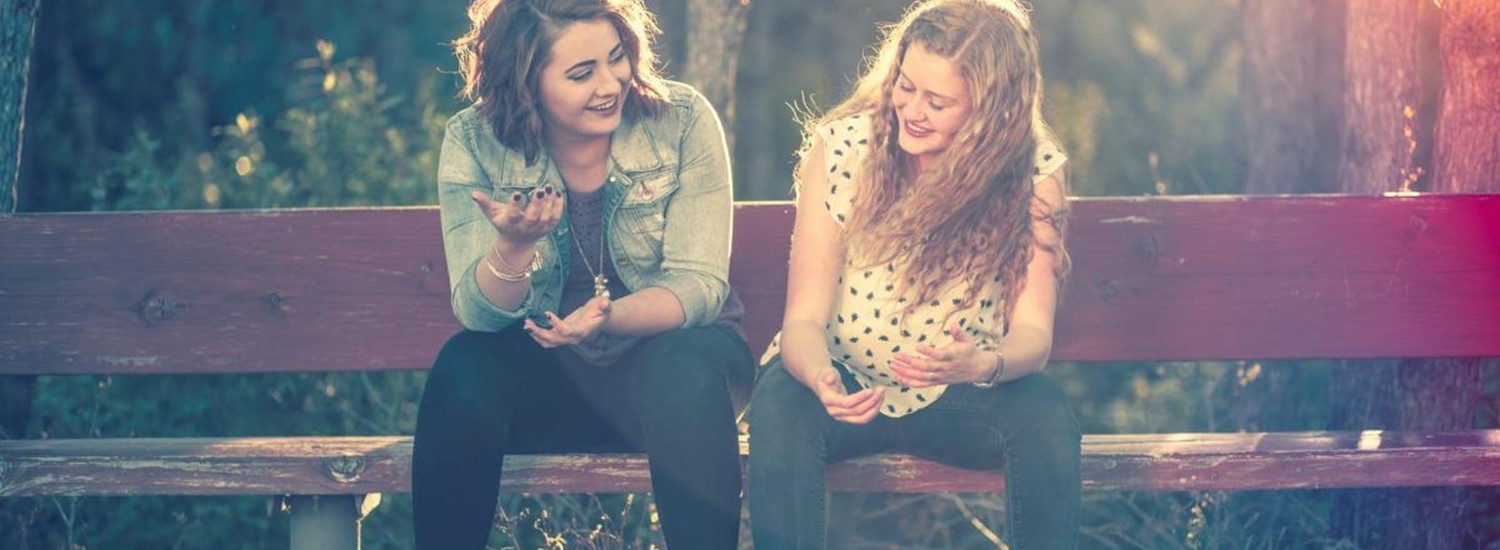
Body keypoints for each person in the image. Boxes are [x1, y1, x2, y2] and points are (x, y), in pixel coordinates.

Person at [411, 0, 750, 548]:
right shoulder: (474, 142)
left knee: (682, 368)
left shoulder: (680, 119)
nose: (610, 83)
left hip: (676, 381)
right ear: (526, 83)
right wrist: (514, 246)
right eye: (580, 73)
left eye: (616, 58)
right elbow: (476, 312)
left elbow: (700, 287)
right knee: (464, 365)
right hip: (554, 380)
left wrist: (608, 317)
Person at [745, 0, 1080, 548]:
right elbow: (803, 319)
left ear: (990, 112)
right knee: (781, 403)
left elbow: (1033, 335)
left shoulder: (1034, 171)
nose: (912, 110)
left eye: (939, 101)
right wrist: (821, 377)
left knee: (1045, 413)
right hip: (844, 385)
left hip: (960, 393)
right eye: (906, 86)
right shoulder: (845, 147)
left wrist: (985, 364)